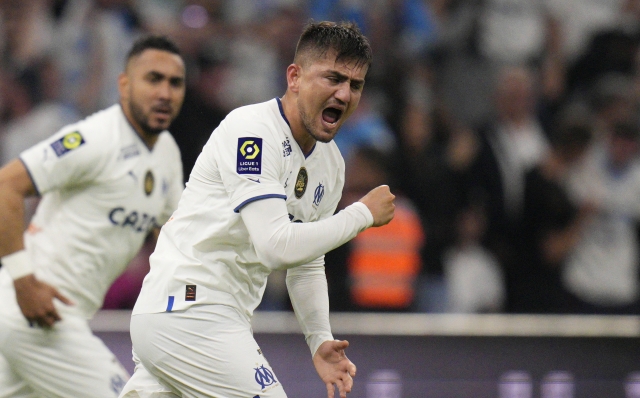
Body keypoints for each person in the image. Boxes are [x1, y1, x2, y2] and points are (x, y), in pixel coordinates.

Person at [119, 21, 395, 398]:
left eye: (355, 85)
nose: (344, 94)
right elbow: (276, 246)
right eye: (333, 78)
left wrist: (319, 340)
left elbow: (307, 261)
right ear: (295, 77)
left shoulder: (330, 165)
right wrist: (361, 214)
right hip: (189, 309)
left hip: (206, 317)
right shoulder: (251, 131)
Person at [0, 35, 186, 397]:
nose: (165, 92)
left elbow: (178, 237)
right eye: (153, 79)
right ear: (124, 84)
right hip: (33, 312)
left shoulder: (167, 153)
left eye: (174, 82)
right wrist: (24, 281)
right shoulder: (95, 138)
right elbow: (6, 184)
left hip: (53, 318)